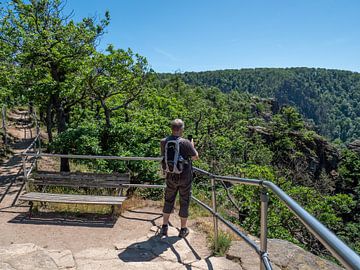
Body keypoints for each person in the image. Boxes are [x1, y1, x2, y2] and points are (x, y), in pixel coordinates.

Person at [160, 119, 199, 238]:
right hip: (184, 176)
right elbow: (195, 157)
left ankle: (164, 227)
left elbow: (164, 156)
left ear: (171, 128)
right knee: (184, 200)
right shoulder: (185, 142)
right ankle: (183, 229)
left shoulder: (164, 141)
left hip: (170, 175)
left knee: (168, 199)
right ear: (181, 129)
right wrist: (192, 146)